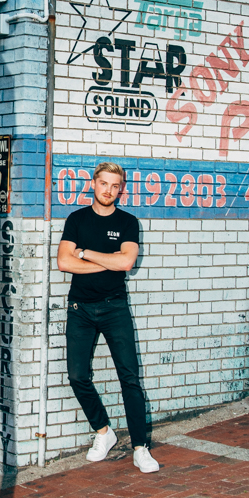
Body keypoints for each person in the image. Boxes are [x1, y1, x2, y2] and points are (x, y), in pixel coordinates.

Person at [56, 161, 159, 472]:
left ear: (121, 189)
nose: (109, 191)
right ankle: (104, 432)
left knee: (129, 378)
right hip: (80, 309)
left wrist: (85, 254)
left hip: (115, 307)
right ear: (94, 183)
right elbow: (63, 262)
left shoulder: (128, 222)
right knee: (77, 376)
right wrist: (109, 261)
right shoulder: (76, 220)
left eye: (116, 186)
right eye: (104, 184)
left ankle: (141, 448)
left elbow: (127, 262)